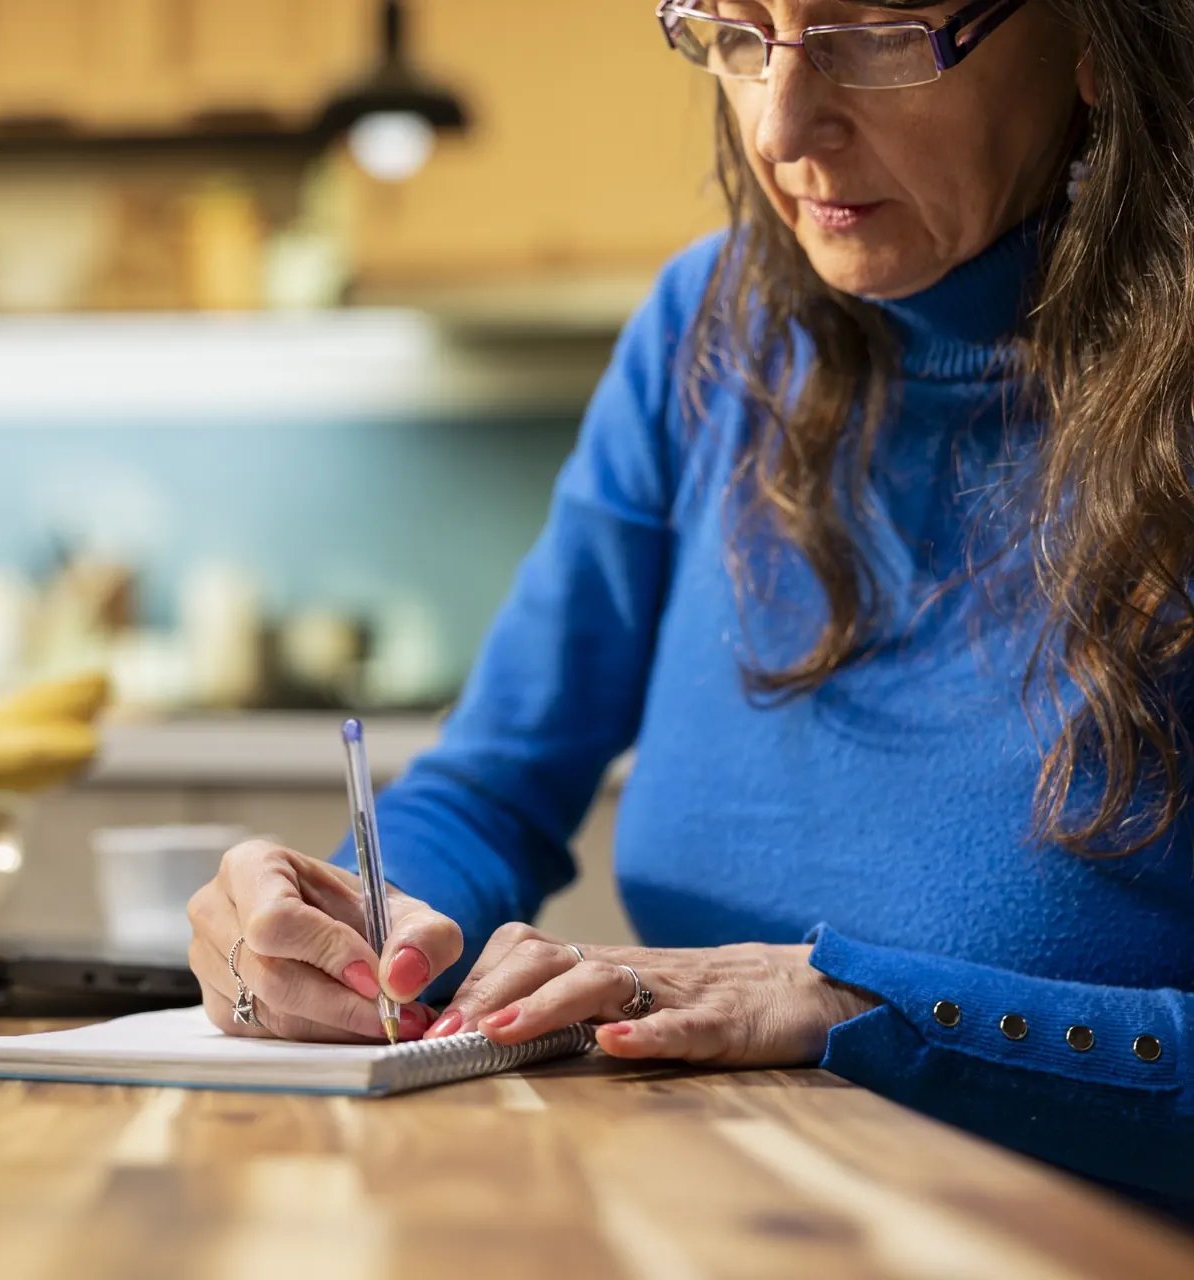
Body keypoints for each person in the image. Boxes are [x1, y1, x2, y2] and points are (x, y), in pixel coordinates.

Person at [187, 0, 1194, 1217]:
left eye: (872, 36)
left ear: (1093, 38)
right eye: (738, 30)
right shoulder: (706, 331)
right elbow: (491, 789)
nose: (781, 128)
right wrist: (348, 925)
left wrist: (854, 1001)